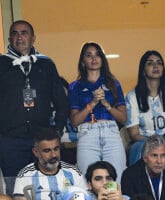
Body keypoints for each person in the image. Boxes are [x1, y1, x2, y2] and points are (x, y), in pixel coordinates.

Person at [0, 20, 68, 194]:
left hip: (42, 139)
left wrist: (57, 131)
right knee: (14, 186)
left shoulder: (46, 65)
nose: (19, 37)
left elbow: (61, 101)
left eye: (24, 33)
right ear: (9, 39)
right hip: (10, 139)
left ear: (33, 38)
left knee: (46, 185)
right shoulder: (1, 64)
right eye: (15, 33)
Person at [68, 42, 127, 183]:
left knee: (115, 180)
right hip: (88, 134)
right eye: (89, 55)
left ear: (102, 59)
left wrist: (107, 105)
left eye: (97, 55)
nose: (94, 58)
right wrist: (93, 103)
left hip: (111, 132)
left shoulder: (114, 83)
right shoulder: (75, 86)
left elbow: (124, 118)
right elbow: (74, 121)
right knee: (88, 180)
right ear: (83, 61)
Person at [125, 50, 165, 165]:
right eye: (150, 63)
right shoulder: (132, 96)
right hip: (145, 143)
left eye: (159, 62)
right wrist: (156, 145)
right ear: (143, 71)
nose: (156, 66)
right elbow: (134, 134)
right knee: (139, 148)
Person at [13, 126, 87, 200]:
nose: (53, 155)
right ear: (36, 152)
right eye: (47, 151)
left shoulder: (73, 172)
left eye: (56, 149)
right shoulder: (25, 175)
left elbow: (85, 197)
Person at [121, 134, 165, 199]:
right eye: (154, 155)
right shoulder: (129, 175)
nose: (159, 161)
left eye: (163, 155)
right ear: (145, 158)